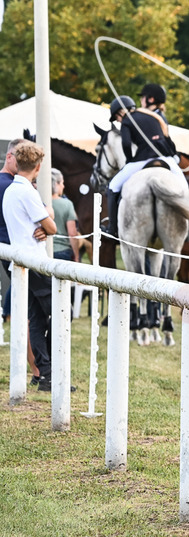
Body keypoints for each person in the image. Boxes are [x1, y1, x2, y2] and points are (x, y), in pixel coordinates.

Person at [2, 142, 58, 391]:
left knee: (36, 317)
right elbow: (52, 227)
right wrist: (46, 228)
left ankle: (44, 374)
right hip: (35, 262)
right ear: (38, 167)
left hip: (22, 259)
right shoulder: (26, 191)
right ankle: (52, 370)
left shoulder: (12, 190)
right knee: (59, 311)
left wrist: (42, 228)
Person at [105, 95, 185, 237]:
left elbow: (126, 144)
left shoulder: (126, 120)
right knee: (183, 186)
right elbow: (167, 138)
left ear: (120, 112)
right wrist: (172, 155)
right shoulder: (154, 116)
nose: (118, 121)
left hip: (143, 159)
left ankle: (113, 228)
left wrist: (129, 160)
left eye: (116, 117)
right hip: (166, 158)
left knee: (113, 186)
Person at [0, 138, 28, 323]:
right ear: (9, 156)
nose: (22, 163)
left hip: (9, 245)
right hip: (12, 245)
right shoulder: (11, 184)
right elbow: (46, 214)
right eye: (19, 157)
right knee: (26, 301)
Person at [50, 169, 80, 263]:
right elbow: (72, 233)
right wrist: (76, 256)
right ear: (56, 184)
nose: (63, 186)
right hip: (62, 252)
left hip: (42, 251)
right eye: (62, 183)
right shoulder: (67, 204)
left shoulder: (38, 202)